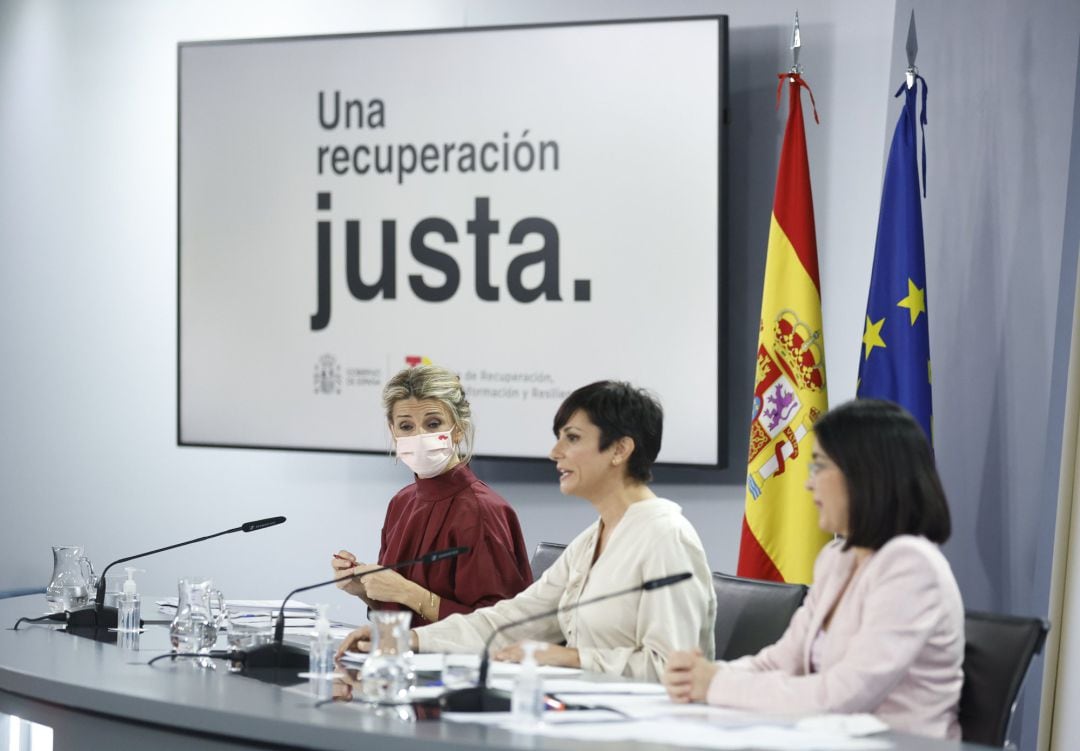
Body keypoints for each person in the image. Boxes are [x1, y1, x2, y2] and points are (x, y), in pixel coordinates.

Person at [338, 380, 716, 682]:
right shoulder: (591, 540)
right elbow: (512, 620)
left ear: (619, 450)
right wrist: (408, 638)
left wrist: (569, 657)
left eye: (572, 438)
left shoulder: (665, 537)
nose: (555, 452)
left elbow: (674, 669)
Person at [663, 399, 964, 739]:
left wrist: (715, 686)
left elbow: (840, 697)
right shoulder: (838, 557)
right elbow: (779, 661)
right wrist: (703, 675)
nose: (809, 483)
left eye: (819, 466)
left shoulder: (912, 567)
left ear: (865, 473)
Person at [331, 365, 532, 627]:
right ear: (393, 432)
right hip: (401, 657)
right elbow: (402, 616)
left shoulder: (482, 510)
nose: (419, 436)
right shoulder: (401, 502)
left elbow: (499, 628)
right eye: (406, 426)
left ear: (458, 429)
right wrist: (364, 590)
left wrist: (406, 591)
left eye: (433, 424)